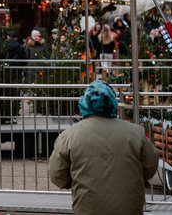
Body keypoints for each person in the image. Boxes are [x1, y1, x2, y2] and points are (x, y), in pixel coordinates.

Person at [49, 80, 158, 215]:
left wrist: (77, 179)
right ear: (112, 103)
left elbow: (57, 176)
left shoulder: (68, 136)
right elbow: (150, 166)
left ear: (84, 104)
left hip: (88, 209)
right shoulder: (135, 133)